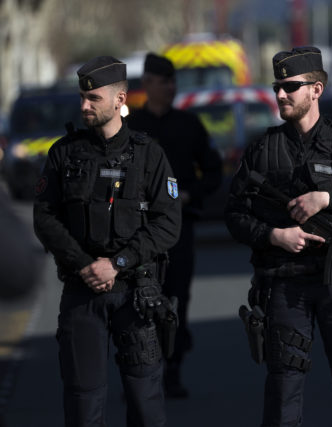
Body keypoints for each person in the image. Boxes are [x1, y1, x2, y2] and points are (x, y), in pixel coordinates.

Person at [225, 46, 332, 426]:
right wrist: (274, 236)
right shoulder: (263, 150)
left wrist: (327, 198)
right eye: (276, 87)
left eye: (291, 87)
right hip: (285, 285)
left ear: (316, 89)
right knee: (283, 391)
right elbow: (234, 214)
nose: (281, 94)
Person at [33, 56, 181, 426]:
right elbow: (45, 217)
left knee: (146, 404)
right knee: (84, 405)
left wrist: (118, 264)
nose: (84, 105)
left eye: (93, 98)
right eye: (82, 97)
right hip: (83, 292)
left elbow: (167, 224)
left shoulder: (149, 155)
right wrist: (86, 265)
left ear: (119, 99)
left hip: (136, 294)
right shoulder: (64, 154)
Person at [127, 52, 222, 398]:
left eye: (172, 81)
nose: (170, 87)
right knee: (136, 303)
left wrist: (187, 195)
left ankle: (173, 370)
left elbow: (212, 172)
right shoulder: (131, 128)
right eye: (163, 81)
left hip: (179, 229)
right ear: (148, 84)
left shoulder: (189, 125)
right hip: (137, 233)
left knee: (176, 301)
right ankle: (138, 373)